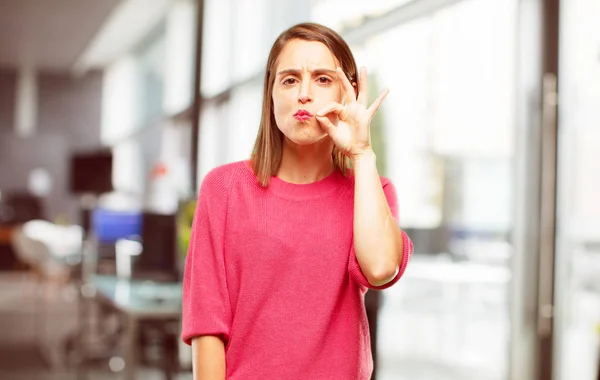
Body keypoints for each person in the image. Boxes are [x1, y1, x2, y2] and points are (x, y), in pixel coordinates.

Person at [181, 22, 414, 380]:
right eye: (289, 80)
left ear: (346, 93)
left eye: (322, 79)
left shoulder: (372, 192)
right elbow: (207, 324)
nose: (304, 93)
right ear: (271, 94)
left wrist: (362, 153)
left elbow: (382, 268)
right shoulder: (224, 189)